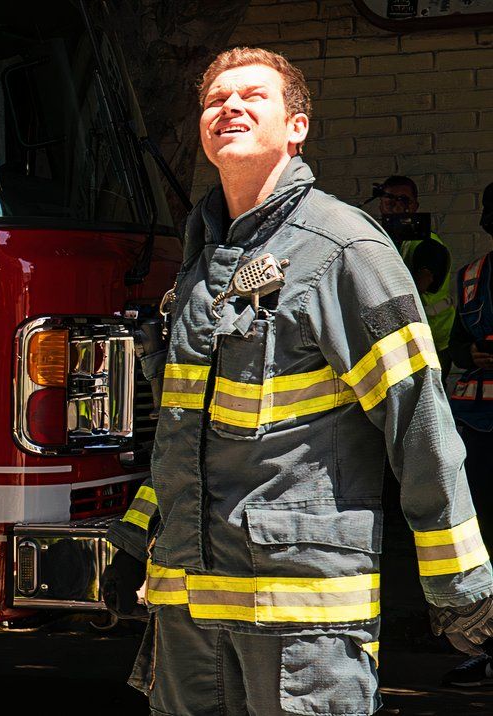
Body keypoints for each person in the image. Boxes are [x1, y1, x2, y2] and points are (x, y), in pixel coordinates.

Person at [100, 48, 493, 715]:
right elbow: (183, 435)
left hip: (302, 623)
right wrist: (138, 537)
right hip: (188, 617)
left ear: (298, 127)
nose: (230, 106)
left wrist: (459, 580)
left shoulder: (345, 250)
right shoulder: (201, 269)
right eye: (216, 99)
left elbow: (419, 418)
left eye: (253, 95)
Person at [442, 182, 493, 688]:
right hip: (477, 431)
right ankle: (483, 649)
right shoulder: (473, 277)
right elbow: (456, 343)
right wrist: (469, 355)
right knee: (478, 544)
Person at [380, 175, 455, 361]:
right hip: (406, 341)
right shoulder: (389, 242)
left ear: (415, 206)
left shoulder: (428, 245)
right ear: (381, 203)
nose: (396, 206)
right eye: (389, 199)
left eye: (404, 200)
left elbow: (418, 284)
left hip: (430, 343)